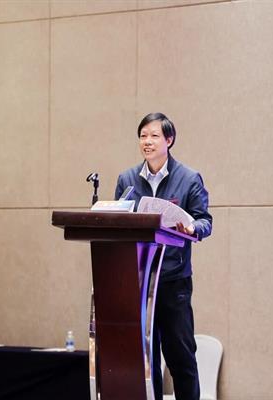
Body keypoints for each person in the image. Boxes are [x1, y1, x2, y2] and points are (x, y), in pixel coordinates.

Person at [115, 112, 213, 400]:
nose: (147, 141)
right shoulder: (127, 180)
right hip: (139, 281)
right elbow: (118, 219)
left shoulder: (189, 178)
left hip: (173, 281)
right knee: (145, 360)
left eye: (154, 136)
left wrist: (193, 227)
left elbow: (205, 221)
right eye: (143, 136)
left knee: (180, 356)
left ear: (169, 140)